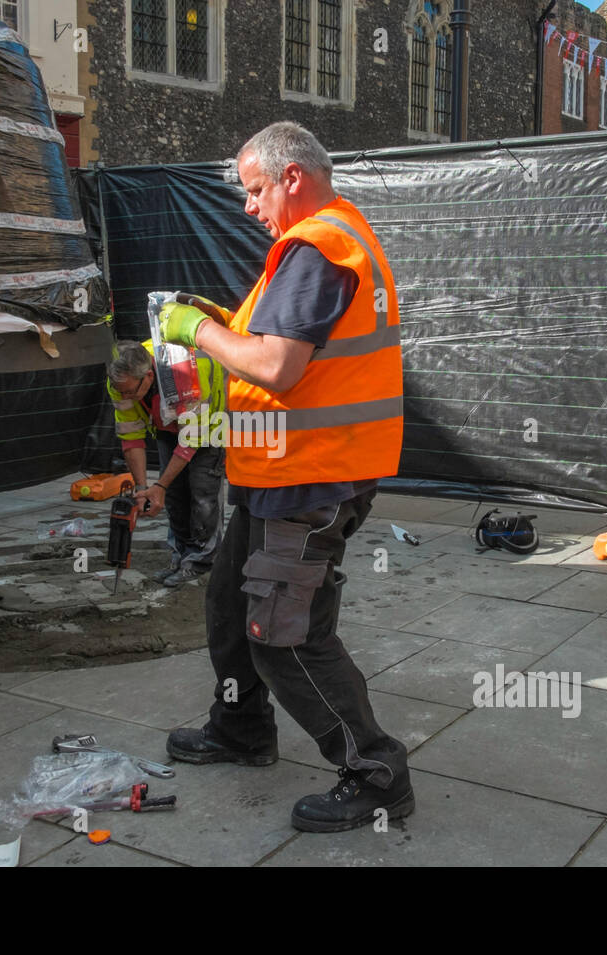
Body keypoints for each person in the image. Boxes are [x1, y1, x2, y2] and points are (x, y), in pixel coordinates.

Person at [157, 121, 412, 832]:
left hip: (312, 483)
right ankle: (240, 728)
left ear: (292, 176)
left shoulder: (317, 245)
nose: (249, 206)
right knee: (231, 612)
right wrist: (215, 322)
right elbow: (277, 347)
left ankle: (376, 771)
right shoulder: (327, 239)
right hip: (284, 477)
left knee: (284, 634)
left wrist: (194, 331)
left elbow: (276, 366)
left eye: (256, 189)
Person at [106, 338, 226, 586]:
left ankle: (201, 561)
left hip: (206, 427)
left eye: (130, 392)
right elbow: (131, 437)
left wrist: (159, 486)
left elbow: (190, 440)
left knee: (202, 494)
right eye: (122, 392)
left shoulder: (186, 375)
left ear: (149, 376)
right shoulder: (119, 382)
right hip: (167, 424)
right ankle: (181, 555)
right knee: (173, 496)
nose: (125, 396)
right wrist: (143, 490)